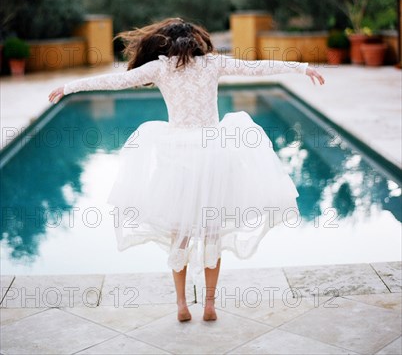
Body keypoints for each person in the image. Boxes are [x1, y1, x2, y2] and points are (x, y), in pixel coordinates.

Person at [48, 17, 325, 322]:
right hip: (214, 154)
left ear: (164, 41)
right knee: (212, 233)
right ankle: (209, 305)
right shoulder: (212, 64)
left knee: (178, 234)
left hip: (177, 156)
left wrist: (70, 87)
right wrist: (301, 68)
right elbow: (256, 67)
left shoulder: (160, 68)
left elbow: (115, 81)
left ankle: (181, 304)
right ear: (196, 40)